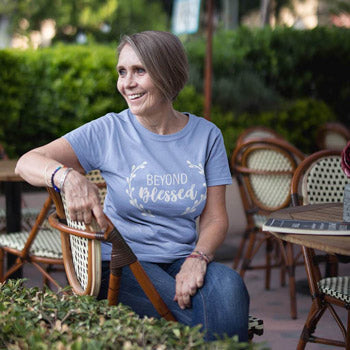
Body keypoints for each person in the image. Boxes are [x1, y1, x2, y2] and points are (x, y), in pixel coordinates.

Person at [15, 30, 249, 341]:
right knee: (212, 316)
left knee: (232, 289)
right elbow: (27, 162)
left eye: (140, 71)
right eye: (122, 72)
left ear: (167, 73)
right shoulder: (111, 130)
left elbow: (216, 217)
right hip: (119, 263)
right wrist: (67, 177)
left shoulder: (207, 136)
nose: (127, 83)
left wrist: (198, 258)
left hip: (183, 257)